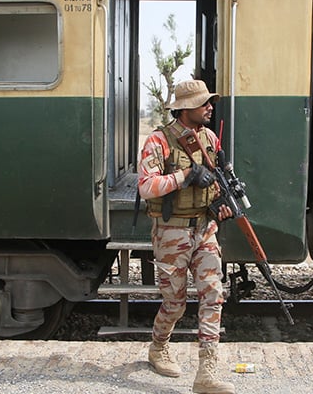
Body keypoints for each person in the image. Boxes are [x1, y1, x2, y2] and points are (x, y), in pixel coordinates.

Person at [137, 80, 235, 394]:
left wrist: (220, 205)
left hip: (205, 229)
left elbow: (216, 181)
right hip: (171, 232)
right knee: (175, 303)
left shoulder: (209, 138)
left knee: (213, 296)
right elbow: (146, 187)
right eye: (203, 103)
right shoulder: (158, 140)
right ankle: (158, 347)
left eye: (209, 102)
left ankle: (206, 374)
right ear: (184, 108)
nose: (209, 107)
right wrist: (185, 176)